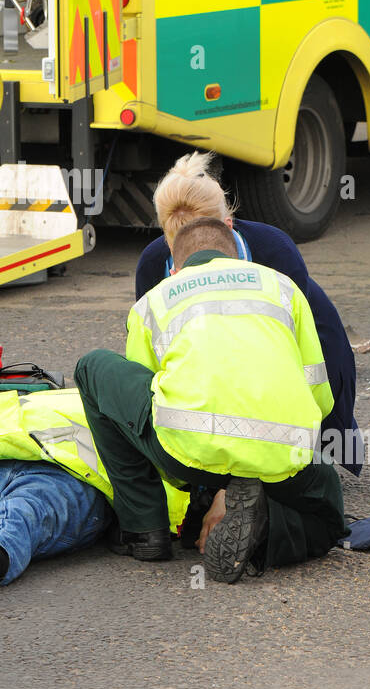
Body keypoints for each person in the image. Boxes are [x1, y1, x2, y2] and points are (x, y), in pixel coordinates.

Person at [74, 217, 347, 581]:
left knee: (93, 366)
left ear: (174, 266)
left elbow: (142, 401)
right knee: (329, 517)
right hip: (284, 454)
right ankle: (264, 527)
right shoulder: (283, 288)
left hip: (188, 454)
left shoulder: (154, 301)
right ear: (240, 257)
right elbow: (320, 395)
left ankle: (143, 530)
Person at [135, 151, 363, 475]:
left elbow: (295, 360)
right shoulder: (152, 264)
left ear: (228, 225)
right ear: (167, 240)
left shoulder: (276, 251)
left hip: (306, 346)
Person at [0, 387, 189, 602]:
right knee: (27, 513)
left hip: (7, 456)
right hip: (65, 469)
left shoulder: (60, 393)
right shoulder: (157, 407)